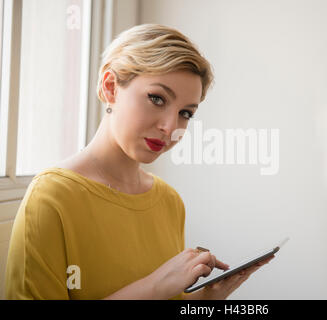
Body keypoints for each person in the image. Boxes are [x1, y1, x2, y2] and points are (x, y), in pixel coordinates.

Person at [4, 23, 272, 300]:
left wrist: (204, 299)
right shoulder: (51, 198)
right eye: (157, 99)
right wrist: (154, 286)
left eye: (185, 113)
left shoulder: (170, 202)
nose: (170, 127)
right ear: (110, 88)